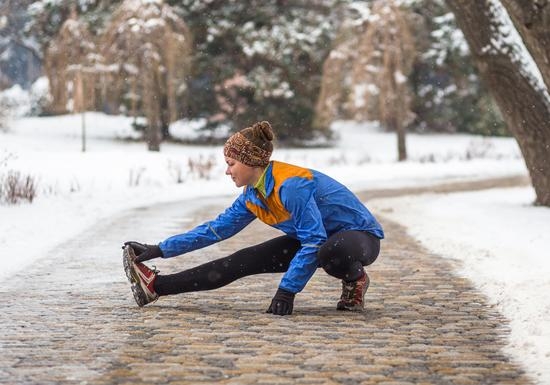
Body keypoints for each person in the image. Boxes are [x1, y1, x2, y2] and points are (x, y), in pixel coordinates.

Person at [123, 121, 384, 316]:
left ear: (251, 162)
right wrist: (159, 249)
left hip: (359, 238)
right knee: (240, 261)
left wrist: (287, 291)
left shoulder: (291, 185)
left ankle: (355, 279)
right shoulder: (253, 195)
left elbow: (314, 241)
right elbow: (214, 230)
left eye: (231, 163)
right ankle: (157, 287)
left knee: (331, 251)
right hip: (318, 239)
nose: (227, 171)